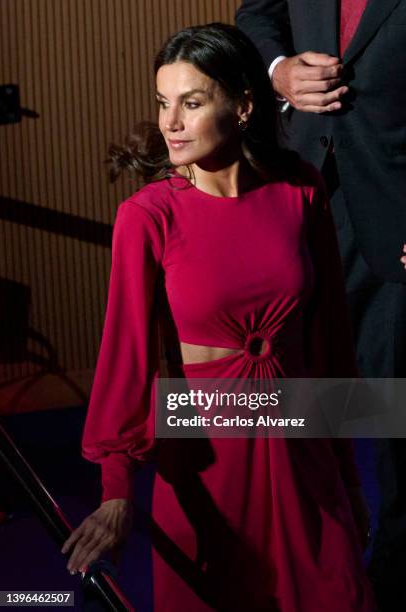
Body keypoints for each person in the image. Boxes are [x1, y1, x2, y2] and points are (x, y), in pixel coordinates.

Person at [61, 23, 375, 611]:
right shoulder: (147, 216)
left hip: (303, 449)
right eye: (163, 103)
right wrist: (116, 488)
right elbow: (124, 357)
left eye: (192, 103)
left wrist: (350, 483)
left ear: (245, 105)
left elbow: (331, 342)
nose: (170, 123)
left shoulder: (301, 190)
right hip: (206, 457)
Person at [235, 1, 406, 608]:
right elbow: (256, 13)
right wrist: (278, 70)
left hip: (395, 203)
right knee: (294, 391)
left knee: (392, 404)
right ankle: (307, 559)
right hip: (298, 183)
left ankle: (390, 574)